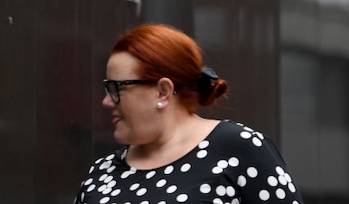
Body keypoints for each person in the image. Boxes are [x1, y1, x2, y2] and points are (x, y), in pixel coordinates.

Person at [74, 23, 303, 204]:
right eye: (107, 89)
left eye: (117, 88)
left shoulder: (238, 148)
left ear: (163, 92)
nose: (106, 101)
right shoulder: (103, 172)